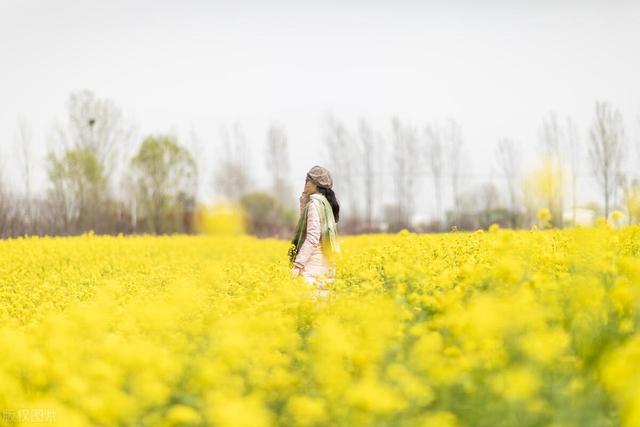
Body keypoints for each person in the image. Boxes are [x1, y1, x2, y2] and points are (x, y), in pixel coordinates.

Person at [288, 165, 341, 297]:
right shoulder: (326, 204)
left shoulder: (314, 205)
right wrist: (303, 200)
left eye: (307, 181)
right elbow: (310, 226)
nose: (304, 185)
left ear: (314, 184)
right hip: (326, 263)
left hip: (312, 265)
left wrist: (298, 264)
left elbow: (312, 236)